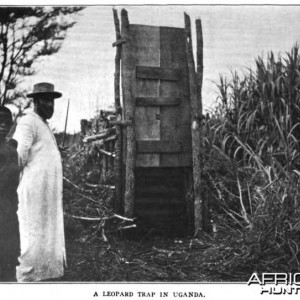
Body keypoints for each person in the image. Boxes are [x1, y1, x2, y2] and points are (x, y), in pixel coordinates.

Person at [13, 82, 66, 282]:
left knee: (46, 232)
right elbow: (18, 157)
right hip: (35, 191)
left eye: (52, 101)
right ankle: (28, 277)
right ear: (35, 101)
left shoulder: (43, 123)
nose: (50, 105)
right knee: (32, 234)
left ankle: (47, 273)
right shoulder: (28, 121)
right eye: (45, 100)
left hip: (47, 192)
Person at [0, 106, 20, 282]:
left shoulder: (11, 149)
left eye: (7, 122)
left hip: (7, 212)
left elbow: (14, 182)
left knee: (8, 262)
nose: (3, 126)